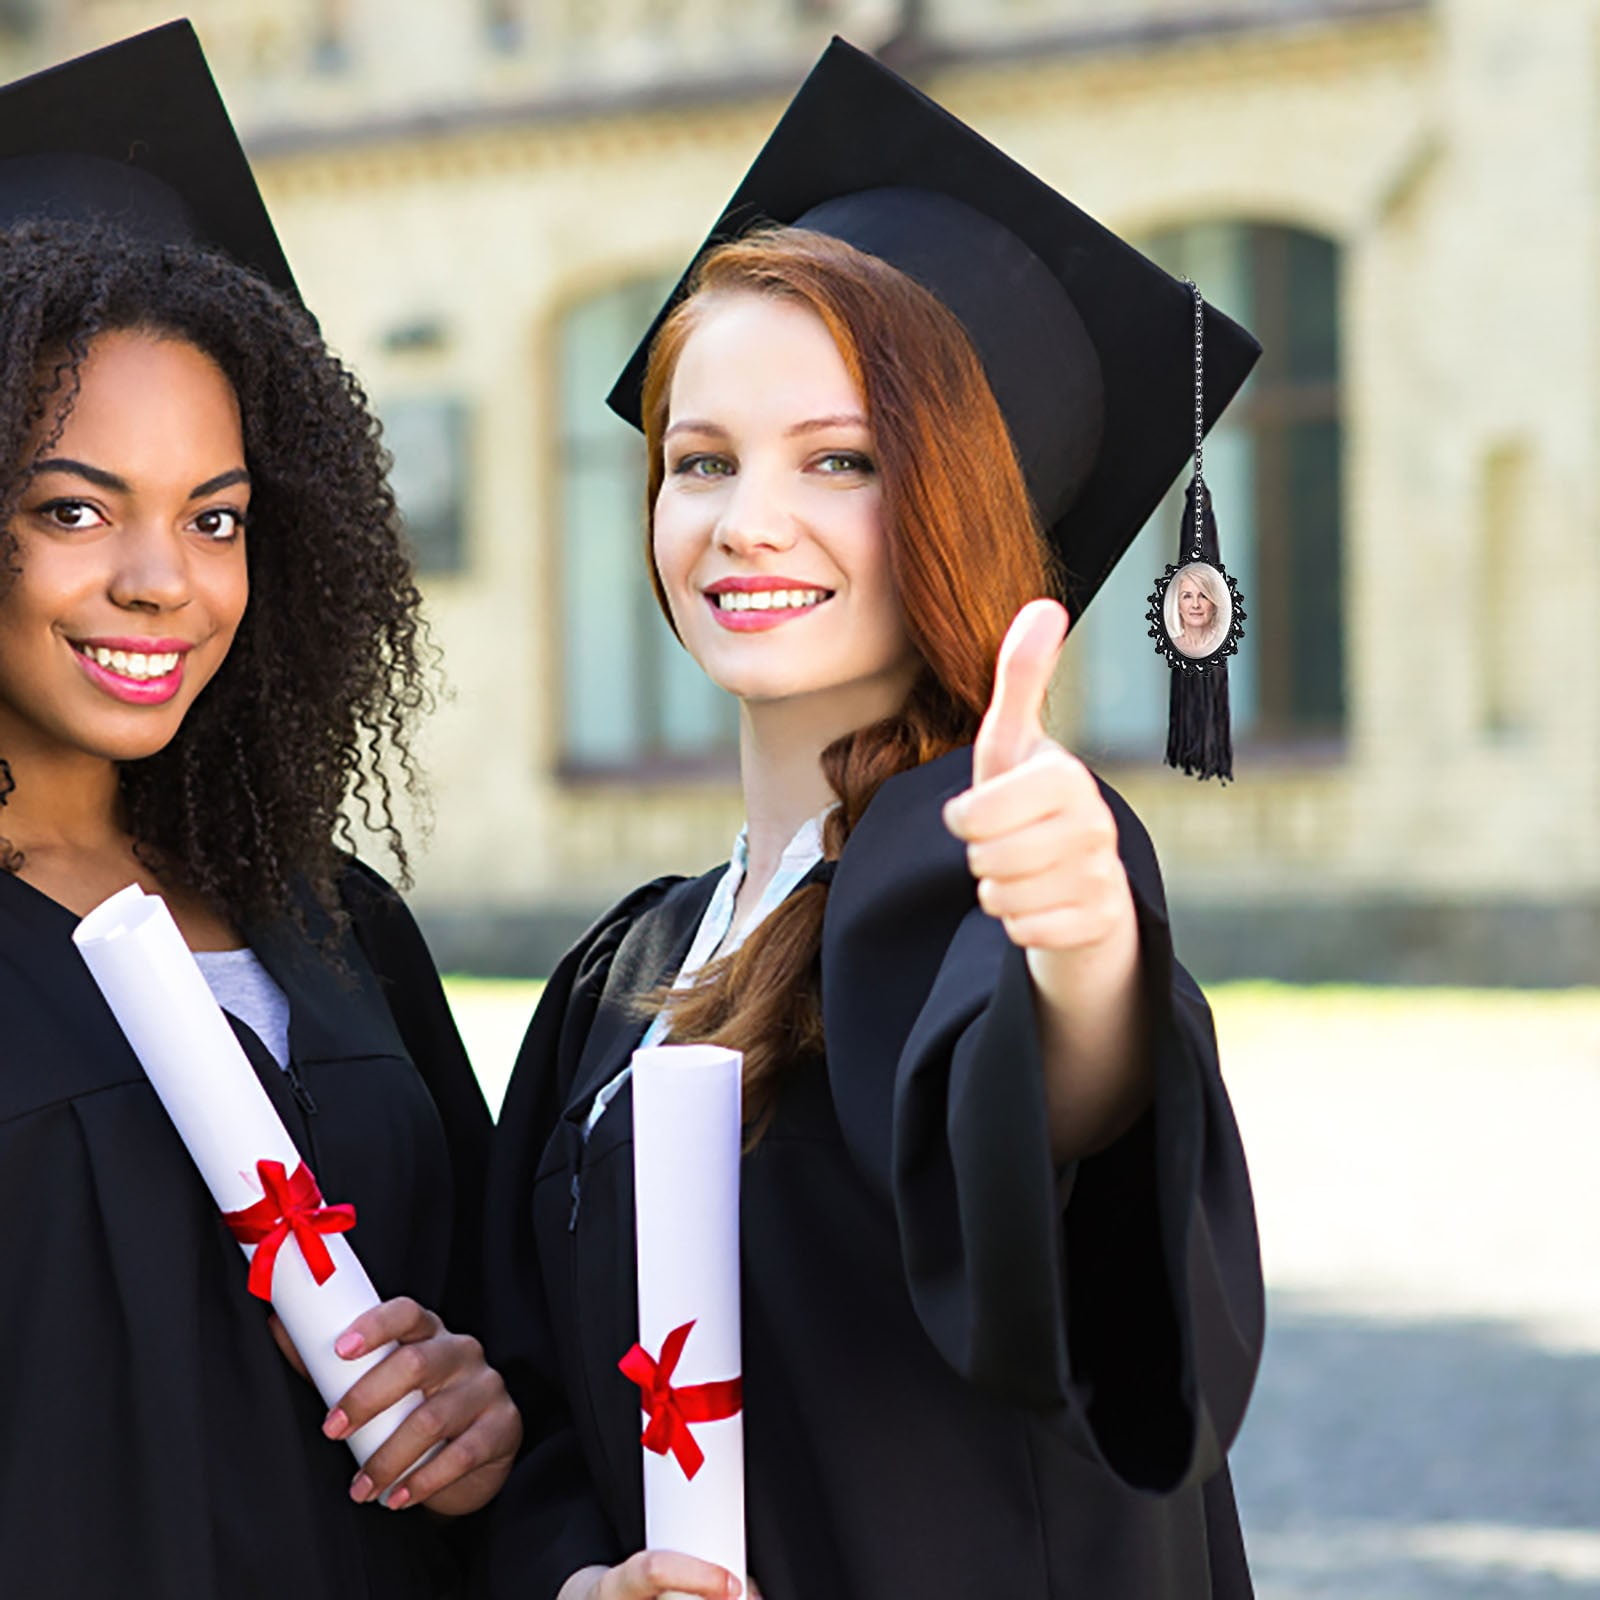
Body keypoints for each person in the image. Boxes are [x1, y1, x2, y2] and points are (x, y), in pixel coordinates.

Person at [484, 40, 1263, 1600]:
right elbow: (554, 1415)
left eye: (840, 460)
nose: (744, 518)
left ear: (965, 505)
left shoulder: (972, 861)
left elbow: (1043, 1139)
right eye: (698, 461)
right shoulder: (623, 972)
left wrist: (1091, 974)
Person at [0, 26, 517, 1596]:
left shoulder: (335, 921)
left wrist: (485, 1406)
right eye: (72, 507)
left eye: (213, 516)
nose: (160, 578)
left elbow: (496, 1318)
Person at [1164, 560, 1230, 659]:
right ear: (1178, 606)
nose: (1195, 605)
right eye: (1187, 596)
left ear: (1214, 604)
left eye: (1203, 596)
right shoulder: (1168, 646)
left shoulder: (1225, 645)